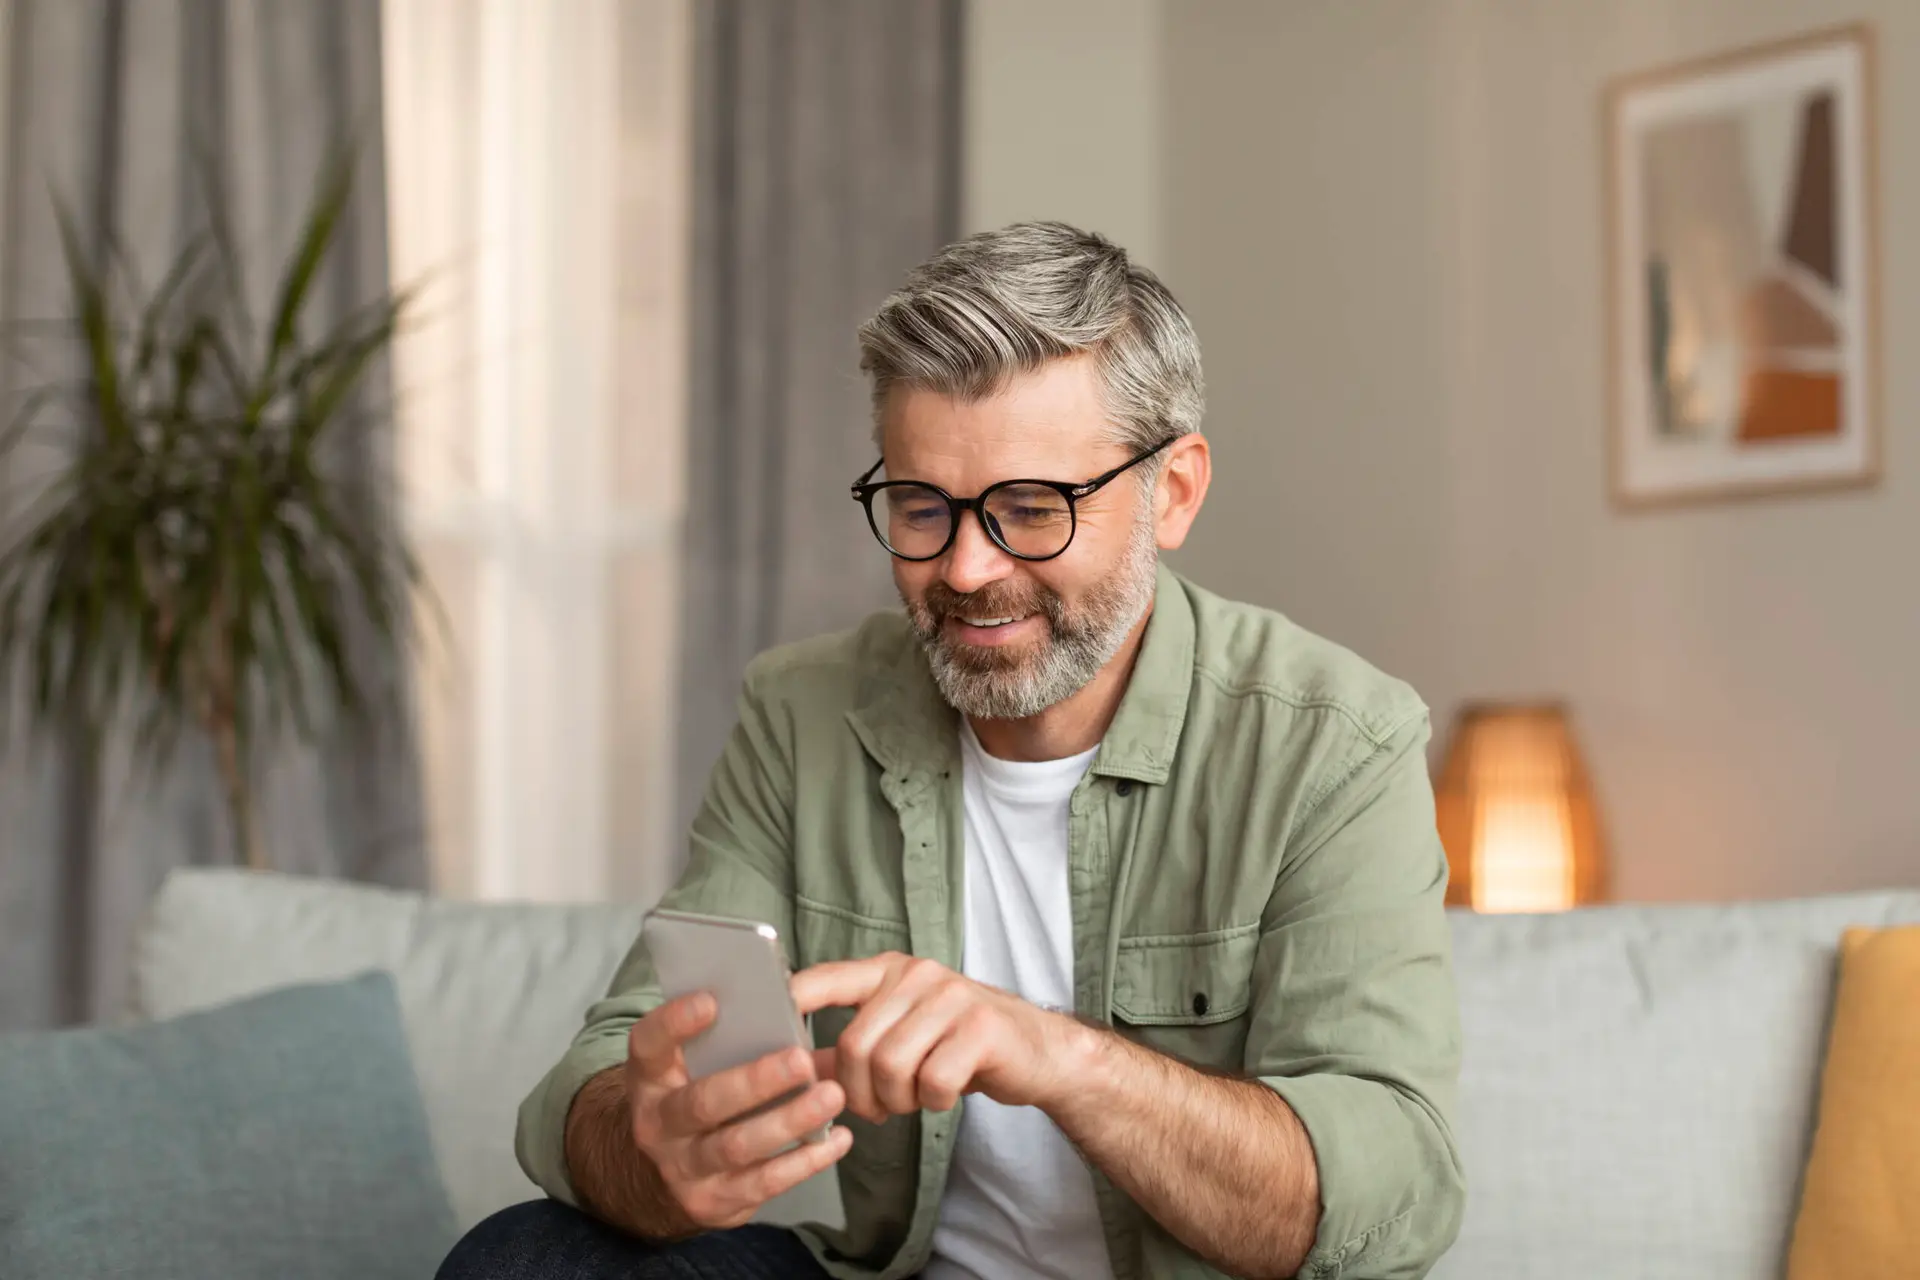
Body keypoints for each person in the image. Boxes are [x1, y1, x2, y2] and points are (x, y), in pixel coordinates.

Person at [439, 222, 1465, 1280]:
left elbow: (1390, 1191)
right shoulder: (805, 712)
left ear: (1175, 492)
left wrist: (1056, 1056)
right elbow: (605, 1073)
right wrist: (650, 1145)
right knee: (526, 1257)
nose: (968, 568)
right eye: (923, 506)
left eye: (1033, 508)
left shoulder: (1334, 743)